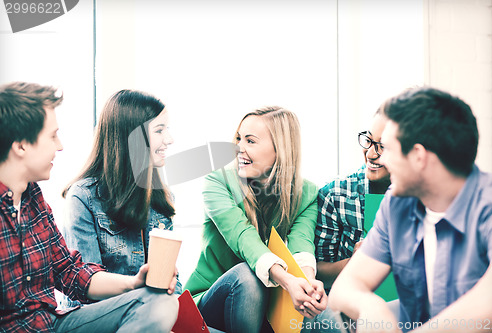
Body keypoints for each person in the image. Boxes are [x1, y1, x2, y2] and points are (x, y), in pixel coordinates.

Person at [0, 82, 178, 333]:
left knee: (159, 302)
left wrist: (135, 283)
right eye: (52, 136)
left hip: (54, 324)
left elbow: (71, 273)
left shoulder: (34, 201)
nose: (59, 146)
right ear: (21, 145)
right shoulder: (83, 196)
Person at [329, 87, 492, 332]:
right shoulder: (397, 204)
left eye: (387, 148)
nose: (381, 159)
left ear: (418, 156)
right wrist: (371, 307)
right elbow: (345, 289)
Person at [184, 106, 328, 333]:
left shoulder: (307, 193)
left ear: (280, 149)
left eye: (250, 141)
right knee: (246, 276)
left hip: (267, 305)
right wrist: (288, 281)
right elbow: (244, 238)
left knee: (325, 314)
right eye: (238, 139)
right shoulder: (217, 182)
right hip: (210, 300)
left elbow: (302, 246)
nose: (238, 148)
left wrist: (308, 286)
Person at [60, 89, 180, 298]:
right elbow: (85, 288)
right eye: (160, 130)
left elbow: (171, 284)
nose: (169, 139)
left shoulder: (161, 199)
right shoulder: (83, 197)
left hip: (154, 312)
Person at [315, 105, 391, 290]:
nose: (371, 154)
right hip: (348, 301)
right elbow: (316, 272)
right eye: (369, 141)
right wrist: (354, 263)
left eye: (383, 146)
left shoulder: (426, 199)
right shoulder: (336, 194)